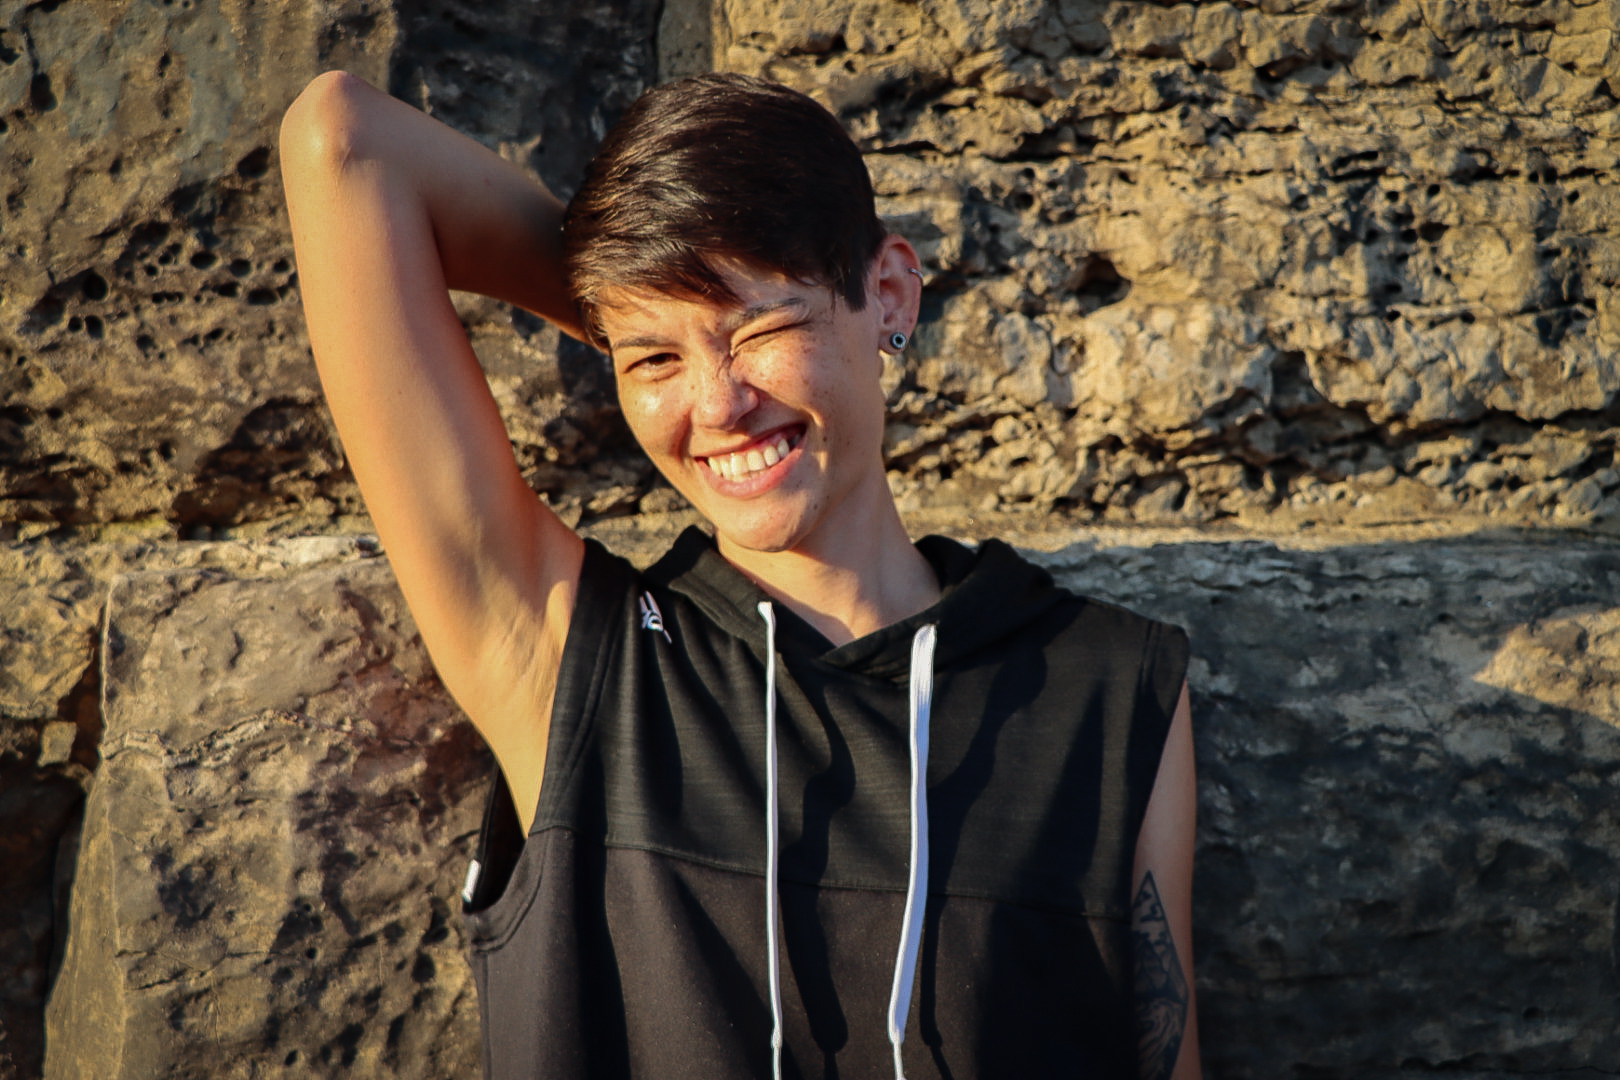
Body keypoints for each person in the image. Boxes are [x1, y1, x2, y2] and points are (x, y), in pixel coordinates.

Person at [279, 68, 1200, 1080]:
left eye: (765, 329)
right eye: (653, 364)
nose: (717, 406)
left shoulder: (1107, 689)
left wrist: (669, 314)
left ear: (890, 293)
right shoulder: (569, 664)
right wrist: (636, 303)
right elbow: (343, 143)